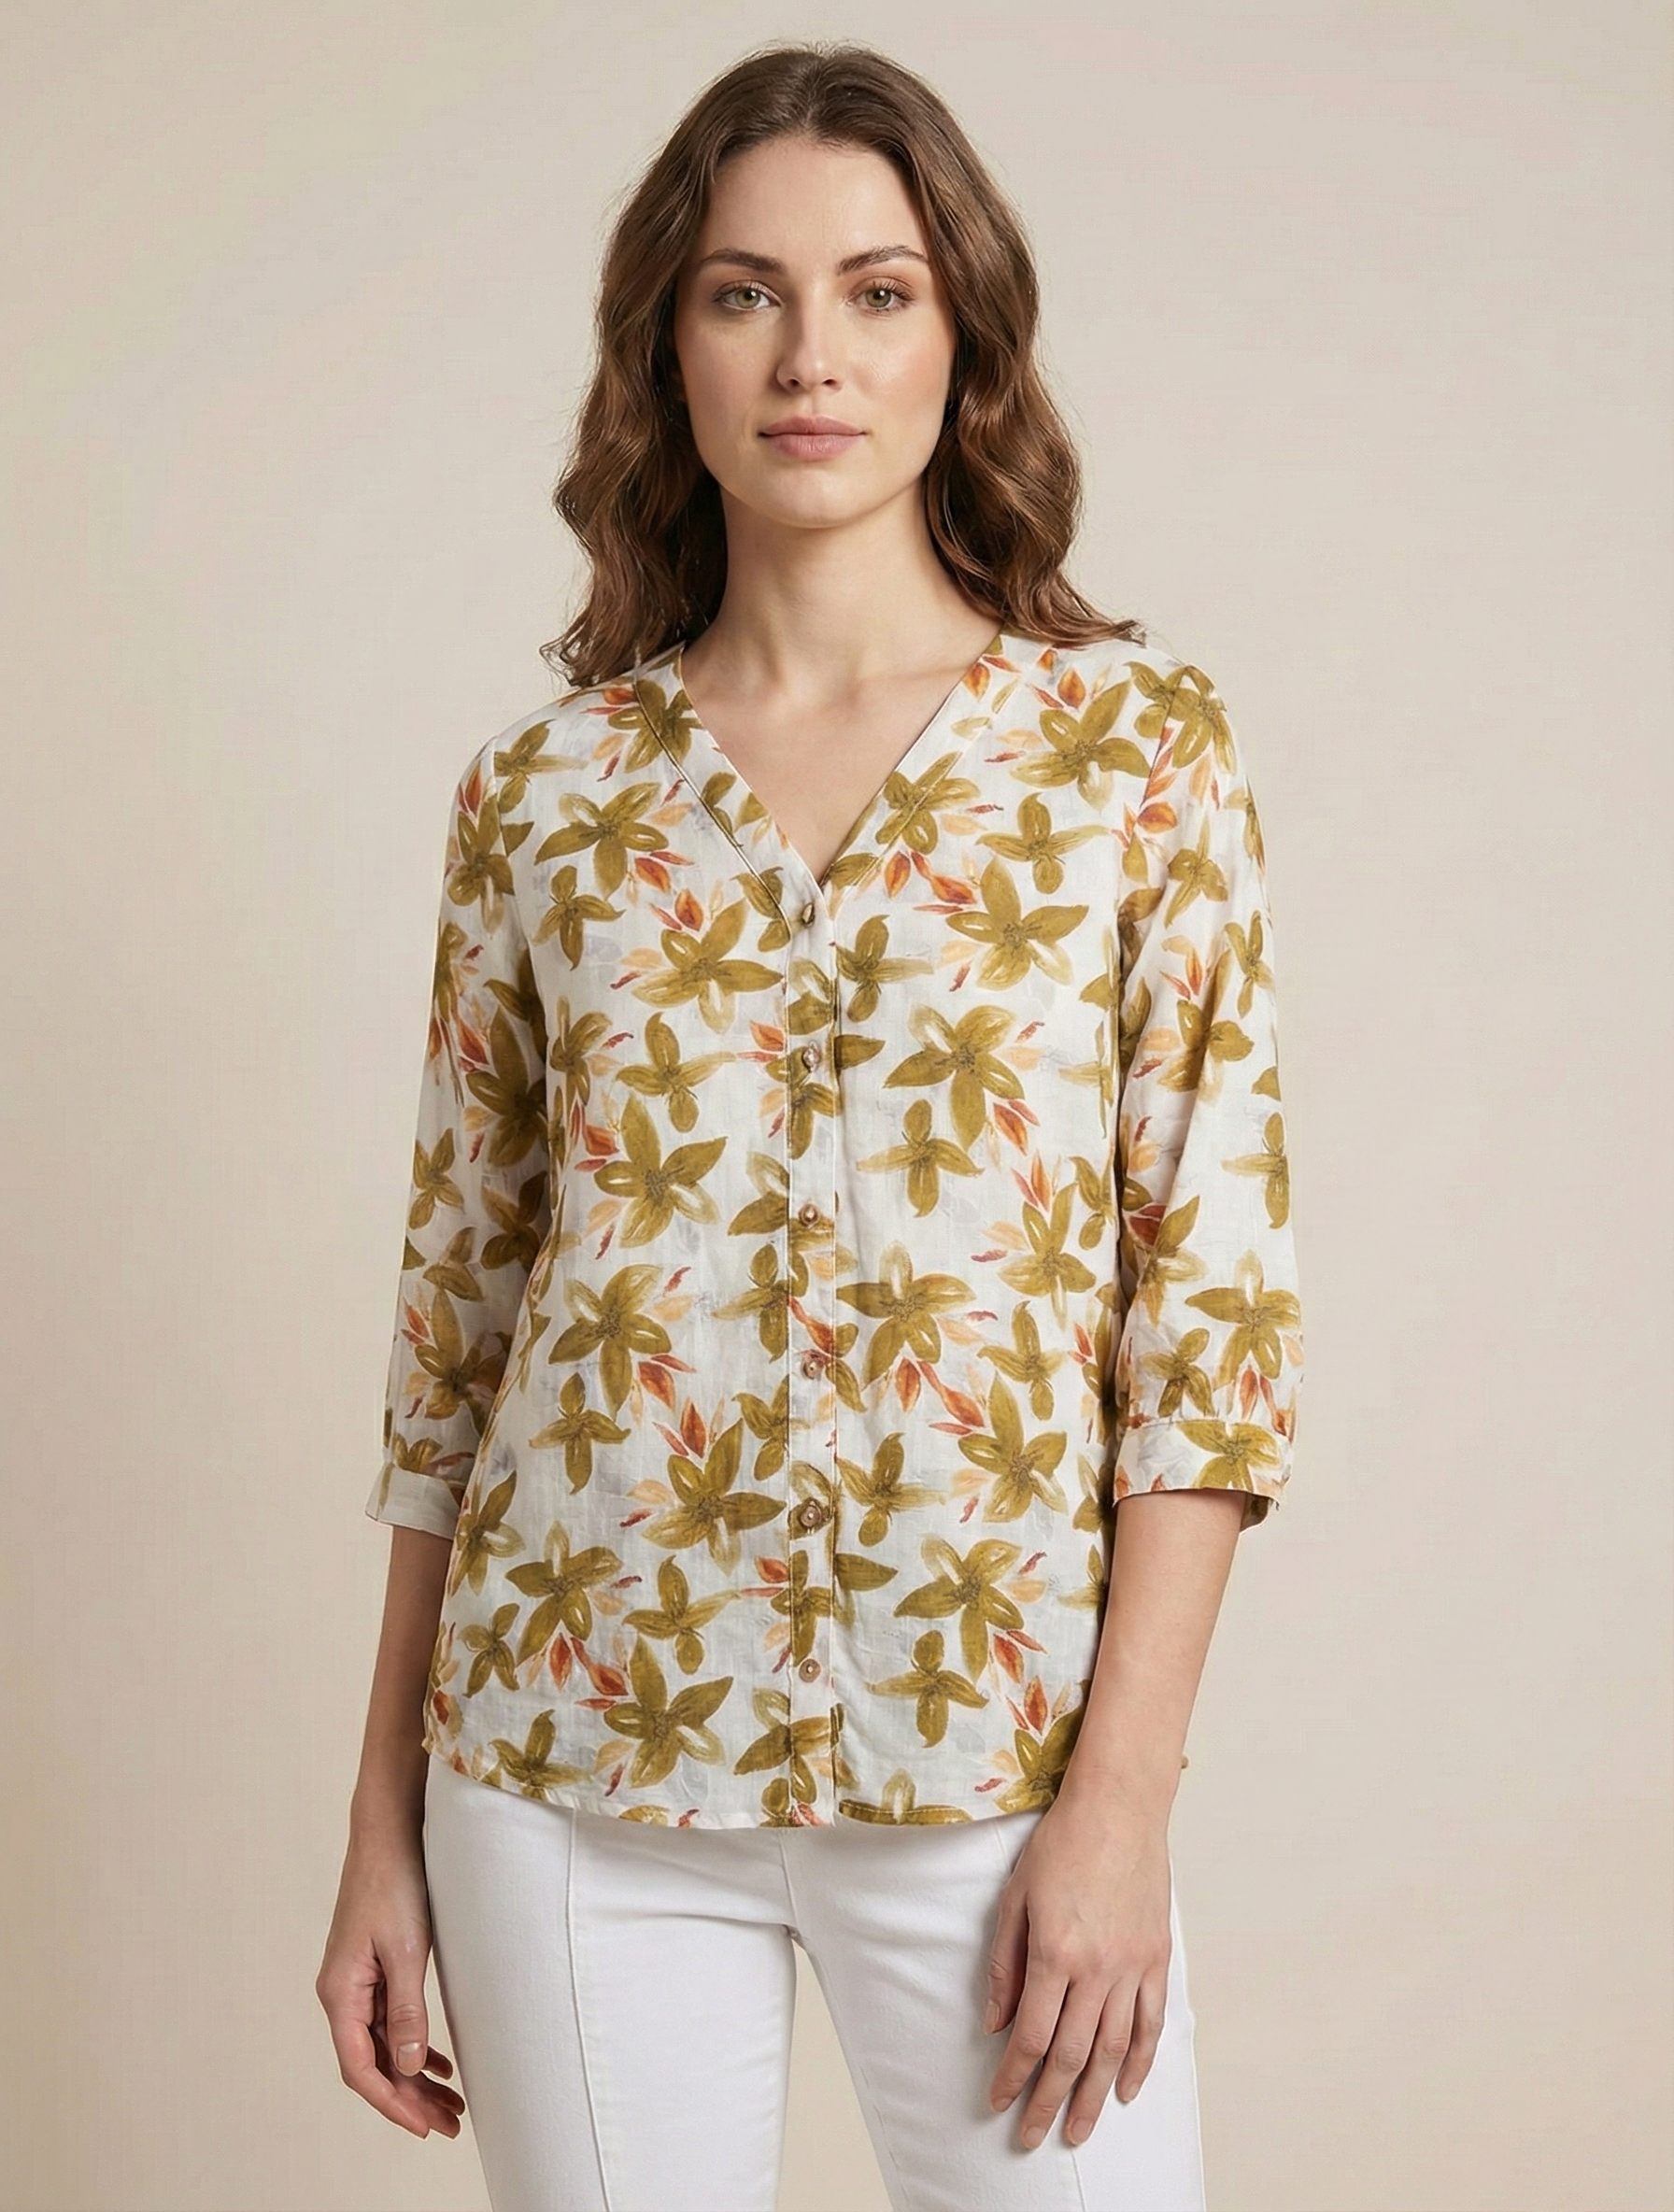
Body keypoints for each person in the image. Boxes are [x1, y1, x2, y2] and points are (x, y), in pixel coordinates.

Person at [316, 39, 1303, 2212]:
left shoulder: (1128, 754)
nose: (808, 357)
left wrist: (1120, 1801)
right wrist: (381, 1814)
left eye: (877, 291)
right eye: (741, 293)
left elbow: (1209, 1316)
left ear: (965, 337)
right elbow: (456, 1333)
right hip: (561, 1761)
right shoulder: (544, 795)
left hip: (990, 1763)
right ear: (663, 343)